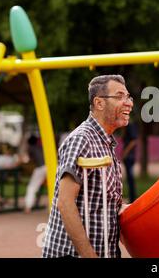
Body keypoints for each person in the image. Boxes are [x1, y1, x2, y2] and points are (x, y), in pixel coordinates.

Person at [42, 75, 133, 258]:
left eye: (129, 96)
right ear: (99, 103)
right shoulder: (82, 139)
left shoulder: (106, 142)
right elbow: (65, 202)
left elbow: (104, 202)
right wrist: (89, 255)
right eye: (120, 96)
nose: (128, 103)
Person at [24, 134, 47, 213]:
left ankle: (28, 207)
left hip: (41, 168)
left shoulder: (31, 148)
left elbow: (28, 160)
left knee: (32, 187)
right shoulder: (41, 147)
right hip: (51, 167)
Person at [121, 120, 138, 202]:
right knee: (129, 178)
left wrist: (125, 153)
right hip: (128, 157)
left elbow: (133, 141)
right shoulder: (126, 127)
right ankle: (132, 197)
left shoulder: (130, 126)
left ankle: (132, 198)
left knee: (130, 178)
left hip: (129, 157)